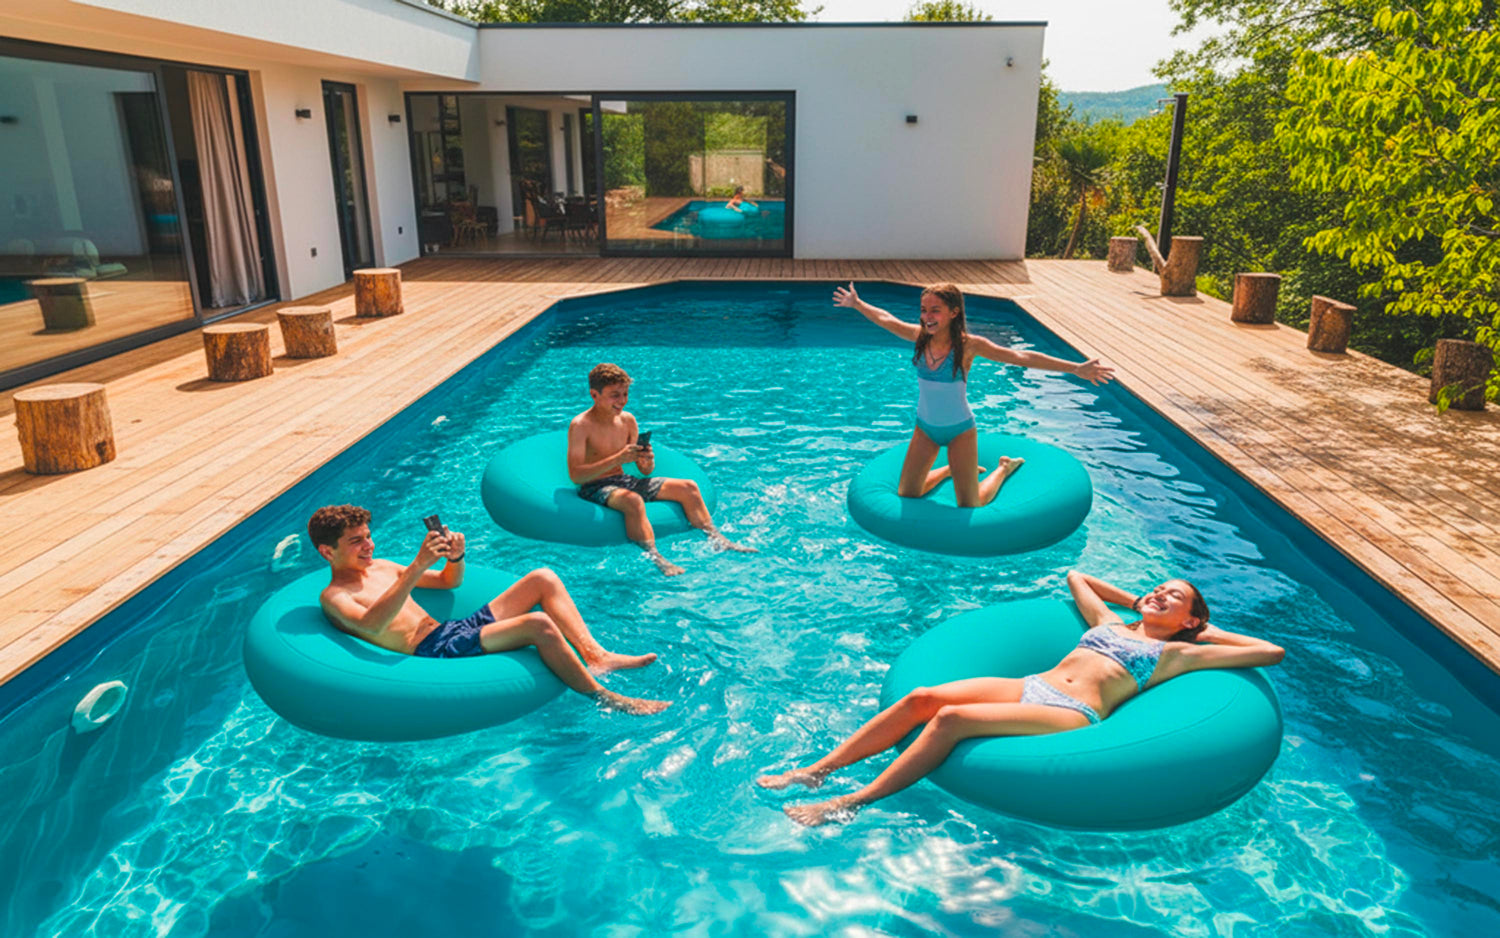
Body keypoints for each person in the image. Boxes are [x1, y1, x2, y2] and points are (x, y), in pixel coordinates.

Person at [758, 570, 1285, 826]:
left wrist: (1201, 633)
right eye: (1158, 587)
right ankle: (818, 770)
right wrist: (1137, 602)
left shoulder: (1178, 655)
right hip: (1030, 684)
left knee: (953, 719)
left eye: (1174, 597)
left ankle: (848, 803)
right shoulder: (1109, 622)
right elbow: (1079, 578)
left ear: (1190, 618)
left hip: (1070, 713)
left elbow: (1271, 650)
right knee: (923, 697)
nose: (1159, 594)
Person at [310, 504, 669, 715]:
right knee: (539, 624)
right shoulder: (335, 596)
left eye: (368, 536)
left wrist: (456, 557)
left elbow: (450, 583)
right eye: (356, 541)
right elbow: (373, 625)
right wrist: (417, 566)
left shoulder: (383, 567)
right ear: (328, 552)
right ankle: (609, 698)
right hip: (433, 650)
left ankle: (596, 655)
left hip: (451, 629)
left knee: (542, 577)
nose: (368, 545)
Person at [833, 282, 1116, 508]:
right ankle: (946, 471)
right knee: (908, 493)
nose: (927, 317)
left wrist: (1075, 368)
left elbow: (1020, 356)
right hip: (925, 429)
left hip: (959, 431)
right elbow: (886, 320)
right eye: (923, 310)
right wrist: (857, 304)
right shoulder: (920, 337)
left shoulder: (969, 346)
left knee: (971, 504)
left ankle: (1004, 468)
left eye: (935, 310)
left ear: (954, 312)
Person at [567, 362, 755, 576]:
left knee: (688, 487)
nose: (622, 401)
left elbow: (644, 471)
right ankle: (657, 558)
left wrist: (647, 461)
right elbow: (576, 475)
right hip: (595, 486)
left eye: (625, 394)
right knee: (633, 501)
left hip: (624, 480)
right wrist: (616, 458)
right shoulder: (581, 425)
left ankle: (718, 539)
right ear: (594, 394)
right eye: (614, 395)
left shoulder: (628, 421)